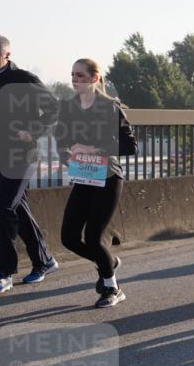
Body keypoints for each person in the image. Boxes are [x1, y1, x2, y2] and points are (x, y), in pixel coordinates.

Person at [0, 34, 59, 295]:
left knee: (3, 207)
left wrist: (34, 130)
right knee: (17, 209)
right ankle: (44, 260)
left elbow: (54, 110)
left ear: (7, 55)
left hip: (22, 157)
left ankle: (4, 273)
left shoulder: (25, 80)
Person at [55, 58, 137, 307]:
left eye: (80, 76)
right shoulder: (68, 108)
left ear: (94, 78)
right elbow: (61, 141)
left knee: (93, 236)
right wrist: (68, 157)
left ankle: (112, 287)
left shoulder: (110, 107)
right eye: (72, 75)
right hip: (83, 176)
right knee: (68, 237)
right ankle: (108, 261)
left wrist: (93, 148)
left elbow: (130, 145)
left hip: (108, 177)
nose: (74, 80)